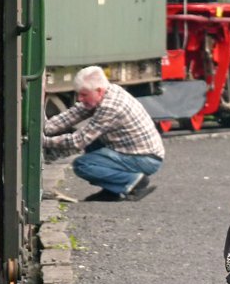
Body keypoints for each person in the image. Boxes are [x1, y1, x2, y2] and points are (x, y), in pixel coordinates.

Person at [43, 66, 164, 201]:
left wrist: (43, 141)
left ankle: (134, 182)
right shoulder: (108, 91)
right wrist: (45, 127)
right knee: (94, 141)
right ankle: (112, 191)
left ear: (99, 91)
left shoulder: (110, 106)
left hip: (145, 158)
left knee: (83, 165)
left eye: (83, 95)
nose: (79, 99)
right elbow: (74, 114)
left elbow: (78, 141)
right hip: (137, 151)